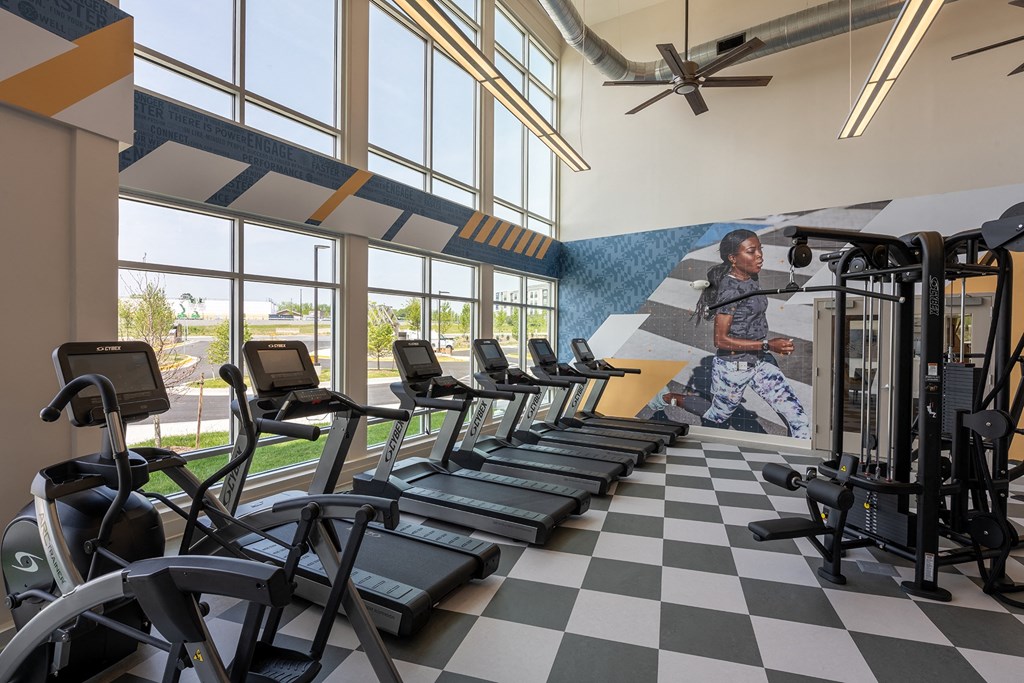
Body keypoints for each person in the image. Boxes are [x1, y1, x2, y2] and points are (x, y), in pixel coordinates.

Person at [680, 228, 810, 439]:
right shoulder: (730, 291)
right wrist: (769, 345)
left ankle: (802, 466)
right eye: (752, 251)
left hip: (761, 363)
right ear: (733, 258)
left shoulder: (751, 277)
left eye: (760, 249)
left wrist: (766, 348)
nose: (759, 255)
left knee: (798, 420)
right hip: (733, 366)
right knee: (718, 415)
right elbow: (720, 340)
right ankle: (672, 399)